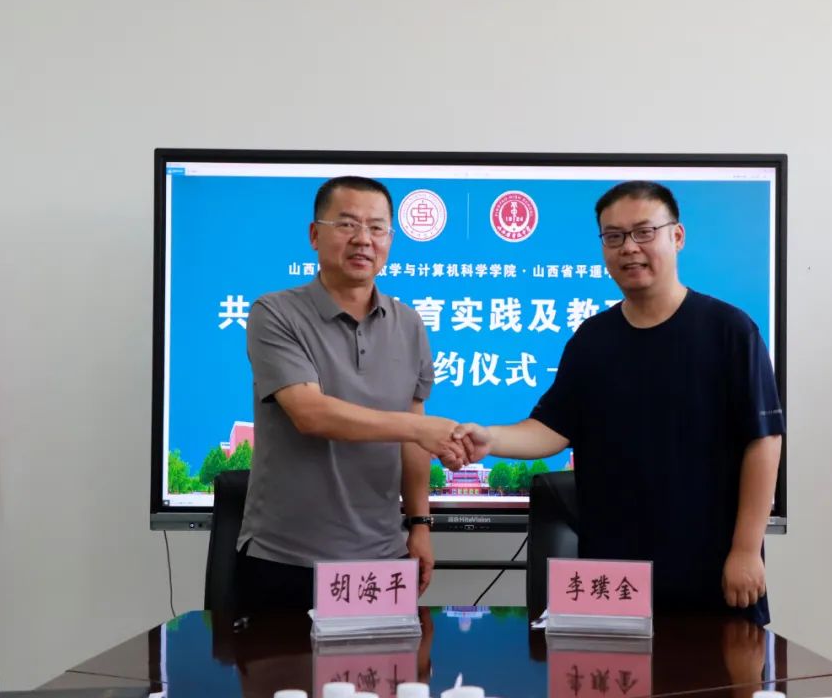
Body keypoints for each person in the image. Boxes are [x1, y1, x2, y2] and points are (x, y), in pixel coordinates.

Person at [454, 180, 784, 624]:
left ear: (677, 236)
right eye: (613, 237)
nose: (629, 247)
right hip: (612, 576)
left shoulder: (729, 331)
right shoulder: (592, 339)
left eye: (644, 232)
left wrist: (745, 549)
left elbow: (763, 440)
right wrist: (490, 438)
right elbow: (552, 428)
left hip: (712, 568)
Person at [235, 176, 468, 614]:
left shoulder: (409, 323)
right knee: (281, 663)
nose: (363, 239)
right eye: (347, 224)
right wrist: (418, 428)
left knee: (387, 662)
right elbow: (310, 414)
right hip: (287, 558)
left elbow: (413, 442)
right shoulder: (275, 312)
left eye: (377, 228)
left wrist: (420, 524)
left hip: (383, 557)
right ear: (314, 235)